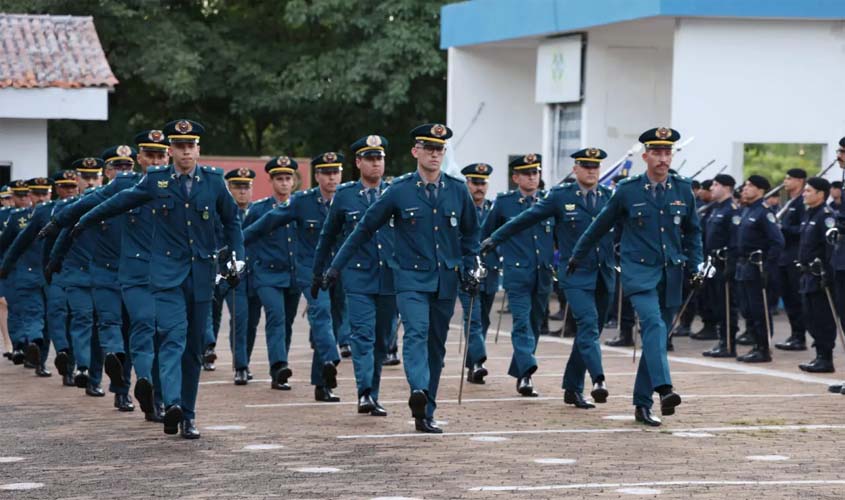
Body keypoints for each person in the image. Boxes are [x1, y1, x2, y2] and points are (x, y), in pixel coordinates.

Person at [68, 119, 244, 438]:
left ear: (198, 149)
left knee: (193, 349)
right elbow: (114, 203)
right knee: (172, 338)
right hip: (166, 277)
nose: (185, 151)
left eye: (190, 145)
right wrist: (79, 222)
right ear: (171, 150)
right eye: (179, 145)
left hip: (202, 276)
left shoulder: (214, 182)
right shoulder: (156, 182)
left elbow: (232, 222)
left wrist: (237, 257)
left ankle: (188, 415)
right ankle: (173, 404)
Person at [321, 123, 479, 433]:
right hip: (409, 280)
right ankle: (418, 390)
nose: (434, 154)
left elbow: (471, 235)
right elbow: (364, 228)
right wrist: (335, 266)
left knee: (436, 346)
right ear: (415, 151)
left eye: (440, 149)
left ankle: (425, 413)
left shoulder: (458, 190)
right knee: (416, 334)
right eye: (429, 148)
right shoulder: (400, 190)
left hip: (445, 279)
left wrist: (473, 266)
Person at [569, 127, 703, 427]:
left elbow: (694, 232)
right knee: (653, 325)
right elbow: (600, 226)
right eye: (657, 152)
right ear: (645, 156)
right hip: (639, 272)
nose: (663, 158)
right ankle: (665, 389)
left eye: (668, 152)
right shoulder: (628, 190)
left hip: (672, 272)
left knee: (657, 337)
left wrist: (697, 266)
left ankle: (642, 405)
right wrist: (577, 255)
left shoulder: (683, 189)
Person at [482, 147, 615, 409]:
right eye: (586, 165)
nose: (591, 170)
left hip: (603, 274)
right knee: (587, 326)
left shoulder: (610, 198)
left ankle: (572, 387)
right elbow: (524, 219)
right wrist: (494, 239)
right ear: (575, 169)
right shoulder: (559, 197)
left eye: (595, 166)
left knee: (589, 333)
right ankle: (598, 379)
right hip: (574, 275)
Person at [242, 152, 343, 402]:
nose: (331, 178)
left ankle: (322, 383)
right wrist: (234, 247)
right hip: (300, 272)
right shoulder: (302, 202)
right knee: (310, 315)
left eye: (335, 172)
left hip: (339, 270)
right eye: (326, 173)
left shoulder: (348, 199)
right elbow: (262, 226)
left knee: (332, 322)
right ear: (317, 176)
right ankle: (290, 365)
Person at [313, 134, 396, 416]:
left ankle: (373, 390)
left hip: (391, 276)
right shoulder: (346, 196)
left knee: (383, 339)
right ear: (359, 162)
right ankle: (365, 393)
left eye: (379, 158)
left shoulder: (395, 192)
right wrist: (318, 271)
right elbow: (328, 236)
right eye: (370, 159)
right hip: (358, 276)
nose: (375, 164)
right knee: (363, 335)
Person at [481, 153, 554, 397]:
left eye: (535, 172)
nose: (532, 177)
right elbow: (486, 236)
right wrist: (490, 263)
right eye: (527, 173)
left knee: (534, 324)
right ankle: (526, 374)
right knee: (521, 322)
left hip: (542, 273)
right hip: (517, 273)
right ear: (516, 177)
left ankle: (521, 368)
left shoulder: (548, 201)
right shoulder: (504, 203)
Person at [242, 157, 300, 391]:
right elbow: (245, 238)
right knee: (276, 317)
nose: (284, 183)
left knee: (287, 322)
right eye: (279, 179)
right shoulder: (259, 209)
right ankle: (278, 365)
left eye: (288, 178)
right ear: (271, 180)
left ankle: (279, 374)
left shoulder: (300, 206)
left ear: (294, 181)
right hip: (266, 275)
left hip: (293, 275)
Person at [208, 168, 254, 384]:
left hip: (238, 275)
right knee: (211, 315)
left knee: (240, 318)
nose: (242, 191)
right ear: (229, 189)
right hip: (215, 271)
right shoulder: (217, 212)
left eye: (246, 187)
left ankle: (241, 366)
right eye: (237, 187)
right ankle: (207, 350)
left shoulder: (257, 212)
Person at [735, 175, 784, 363]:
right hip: (744, 266)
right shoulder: (748, 210)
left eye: (750, 186)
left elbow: (777, 242)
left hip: (757, 267)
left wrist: (767, 266)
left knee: (758, 310)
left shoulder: (764, 212)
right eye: (745, 185)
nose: (745, 189)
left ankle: (763, 348)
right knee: (747, 309)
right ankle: (755, 344)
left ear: (761, 190)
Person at [458, 162, 498, 384]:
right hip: (467, 271)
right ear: (467, 183)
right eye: (474, 183)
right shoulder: (460, 208)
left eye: (482, 183)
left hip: (490, 271)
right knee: (472, 318)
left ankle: (472, 363)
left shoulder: (493, 209)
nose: (479, 188)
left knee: (484, 319)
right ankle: (478, 362)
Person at [795, 177, 836, 373]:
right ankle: (819, 354)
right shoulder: (809, 214)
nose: (804, 194)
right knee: (810, 317)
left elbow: (831, 248)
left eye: (808, 191)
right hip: (807, 275)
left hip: (820, 276)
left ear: (821, 194)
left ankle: (826, 358)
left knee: (823, 319)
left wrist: (828, 273)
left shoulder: (826, 216)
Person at [701, 174, 741, 357]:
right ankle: (721, 340)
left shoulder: (731, 210)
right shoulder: (715, 209)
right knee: (716, 303)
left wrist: (731, 264)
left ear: (726, 188)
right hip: (712, 262)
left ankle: (728, 343)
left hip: (725, 263)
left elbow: (735, 241)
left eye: (716, 184)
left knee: (726, 305)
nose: (711, 188)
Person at [774, 168, 808, 351]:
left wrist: (783, 228)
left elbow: (802, 230)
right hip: (783, 256)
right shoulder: (788, 202)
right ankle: (794, 333)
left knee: (796, 297)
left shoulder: (803, 202)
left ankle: (800, 336)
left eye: (789, 179)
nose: (785, 181)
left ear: (799, 181)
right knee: (787, 297)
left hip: (795, 255)